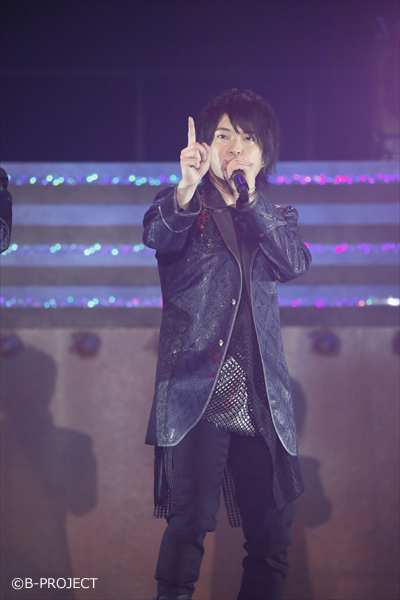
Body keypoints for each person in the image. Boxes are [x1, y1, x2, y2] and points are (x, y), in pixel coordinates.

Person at [143, 89, 312, 600]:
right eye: (223, 135)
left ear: (264, 153)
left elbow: (294, 262)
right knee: (190, 523)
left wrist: (252, 201)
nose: (235, 147)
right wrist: (185, 188)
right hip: (198, 391)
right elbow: (157, 235)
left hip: (260, 398)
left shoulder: (275, 216)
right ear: (204, 146)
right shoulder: (183, 204)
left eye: (248, 138)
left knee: (271, 539)